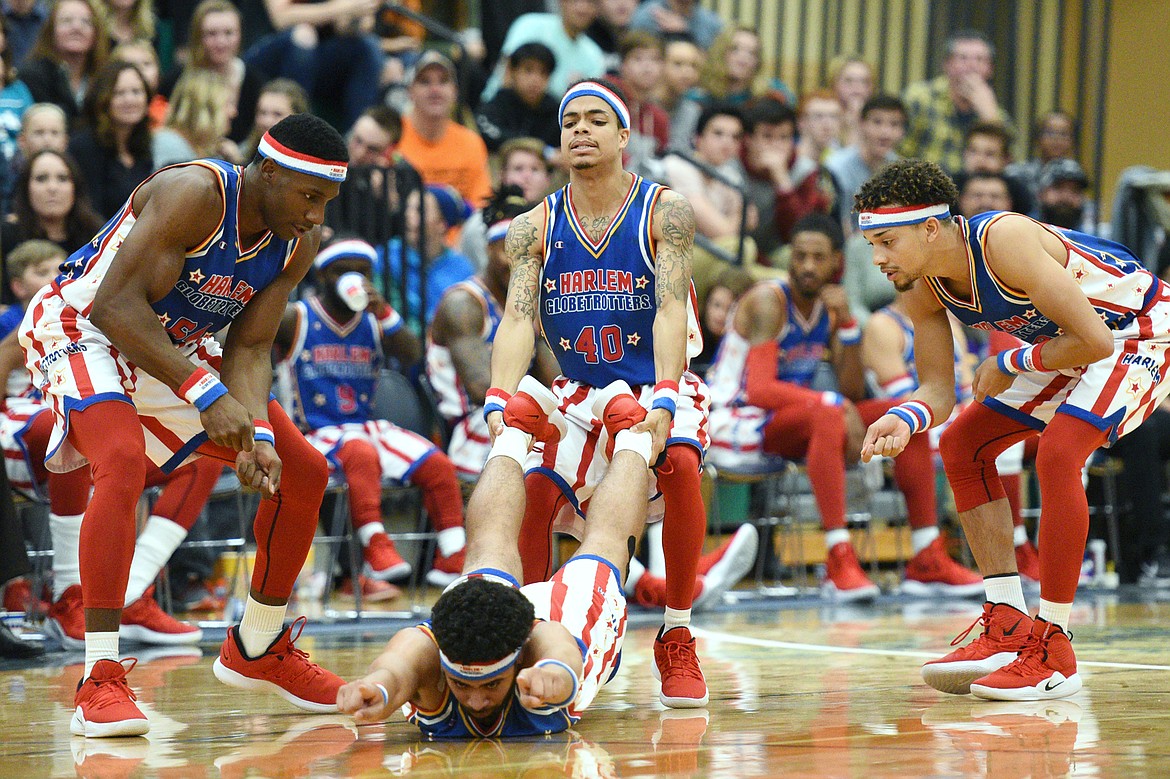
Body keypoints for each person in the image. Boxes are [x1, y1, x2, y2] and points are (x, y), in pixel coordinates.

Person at [19, 112, 350, 737]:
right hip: (84, 324)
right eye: (309, 197)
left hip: (169, 345)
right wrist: (204, 393)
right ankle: (101, 678)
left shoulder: (295, 243)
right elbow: (115, 306)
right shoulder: (194, 193)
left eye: (326, 202)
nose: (315, 216)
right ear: (268, 172)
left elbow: (251, 348)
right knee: (117, 461)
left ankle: (258, 646)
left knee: (302, 470)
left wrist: (252, 428)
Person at [856, 158, 1170, 700]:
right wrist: (901, 417)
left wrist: (1013, 364)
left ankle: (1055, 646)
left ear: (931, 228)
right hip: (1071, 346)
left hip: (1136, 332)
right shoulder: (919, 280)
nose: (878, 258)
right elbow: (937, 390)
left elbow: (1095, 342)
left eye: (887, 241)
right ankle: (1007, 619)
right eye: (872, 244)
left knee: (1058, 452)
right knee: (961, 443)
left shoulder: (1005, 239)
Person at [489, 79, 713, 708]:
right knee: (532, 487)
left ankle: (677, 633)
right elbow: (516, 321)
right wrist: (497, 396)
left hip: (656, 375)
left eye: (595, 120)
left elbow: (671, 309)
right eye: (569, 123)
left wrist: (666, 395)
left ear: (624, 135)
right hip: (579, 389)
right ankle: (537, 632)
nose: (580, 131)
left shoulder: (664, 211)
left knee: (683, 466)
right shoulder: (532, 226)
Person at [337, 380, 651, 736]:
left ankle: (630, 431)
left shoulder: (539, 644)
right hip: (492, 623)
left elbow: (560, 650)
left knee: (605, 545)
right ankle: (517, 428)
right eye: (461, 684)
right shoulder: (434, 651)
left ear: (519, 661)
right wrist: (377, 688)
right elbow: (394, 667)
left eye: (491, 684)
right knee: (490, 546)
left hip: (562, 628)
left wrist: (556, 675)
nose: (475, 701)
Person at [705, 213, 982, 601]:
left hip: (793, 419)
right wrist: (830, 401)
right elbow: (760, 390)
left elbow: (851, 390)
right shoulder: (769, 300)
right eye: (799, 256)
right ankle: (837, 558)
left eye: (818, 258)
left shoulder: (829, 308)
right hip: (733, 419)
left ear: (837, 262)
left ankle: (926, 557)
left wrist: (849, 325)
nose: (806, 266)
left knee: (902, 414)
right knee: (827, 413)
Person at [274, 238, 467, 589]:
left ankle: (453, 555)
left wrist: (386, 312)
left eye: (363, 272)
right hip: (312, 434)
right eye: (343, 271)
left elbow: (412, 354)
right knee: (358, 452)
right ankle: (376, 548)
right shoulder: (296, 318)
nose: (354, 278)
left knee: (437, 463)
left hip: (362, 427)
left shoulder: (374, 321)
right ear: (322, 275)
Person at [899, 29, 1012, 176]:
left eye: (980, 59)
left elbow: (1009, 167)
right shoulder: (919, 98)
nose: (972, 66)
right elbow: (897, 152)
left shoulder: (996, 113)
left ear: (990, 69)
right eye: (963, 58)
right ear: (947, 64)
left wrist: (990, 116)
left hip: (971, 195)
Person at [397, 50, 492, 209]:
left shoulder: (471, 143)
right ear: (410, 92)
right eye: (425, 81)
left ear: (455, 92)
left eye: (443, 81)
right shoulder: (393, 136)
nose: (435, 90)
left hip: (460, 232)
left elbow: (481, 206)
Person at [67, 60, 154, 219]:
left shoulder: (142, 146)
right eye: (119, 93)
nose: (130, 100)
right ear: (102, 100)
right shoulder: (85, 146)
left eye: (136, 92)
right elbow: (90, 212)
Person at [473, 42, 560, 154]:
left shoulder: (556, 113)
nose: (535, 79)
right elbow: (483, 129)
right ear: (512, 71)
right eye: (528, 70)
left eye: (543, 73)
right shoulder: (498, 103)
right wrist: (544, 151)